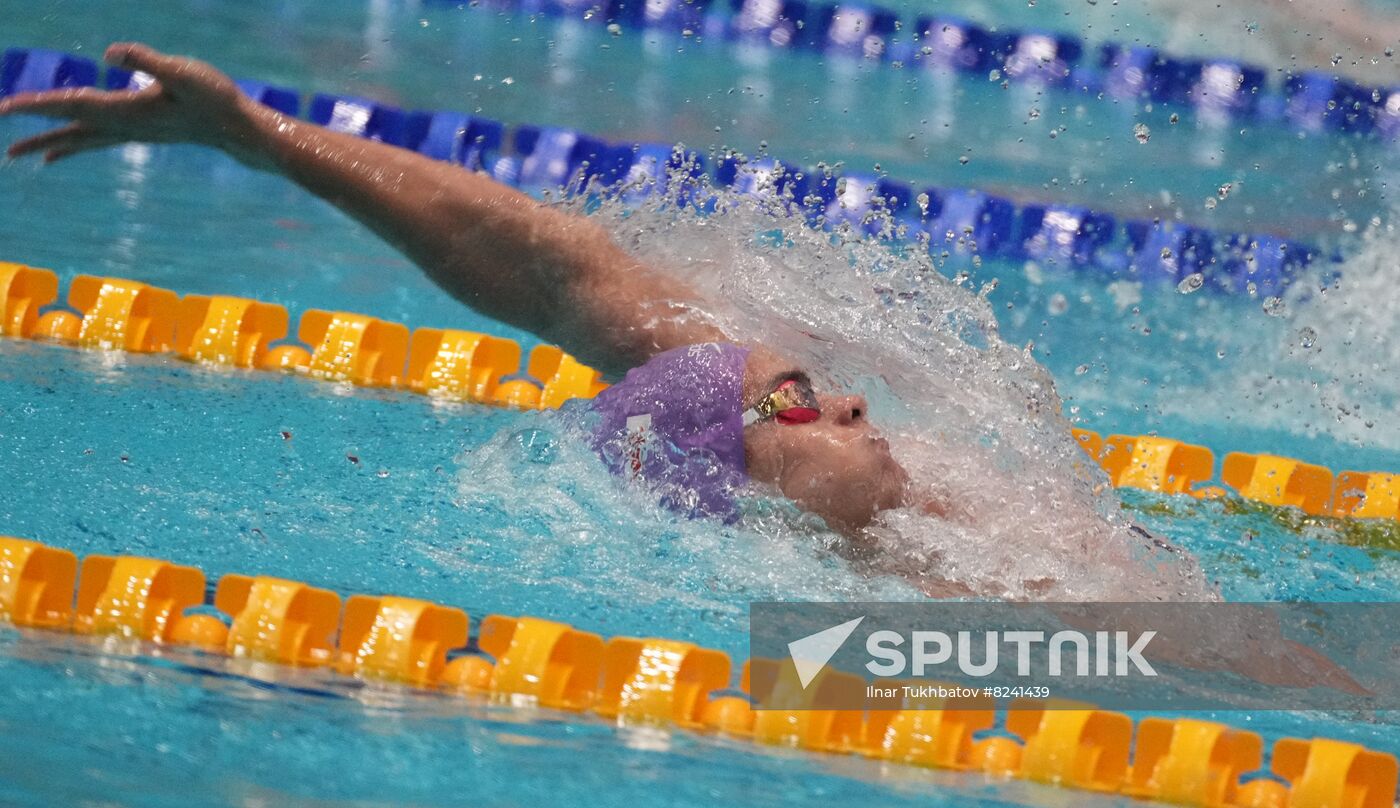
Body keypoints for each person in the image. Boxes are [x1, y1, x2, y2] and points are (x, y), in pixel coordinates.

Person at [0, 42, 913, 537]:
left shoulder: (931, 511)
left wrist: (263, 136)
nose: (851, 398)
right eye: (794, 399)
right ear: (726, 485)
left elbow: (556, 271)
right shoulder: (803, 625)